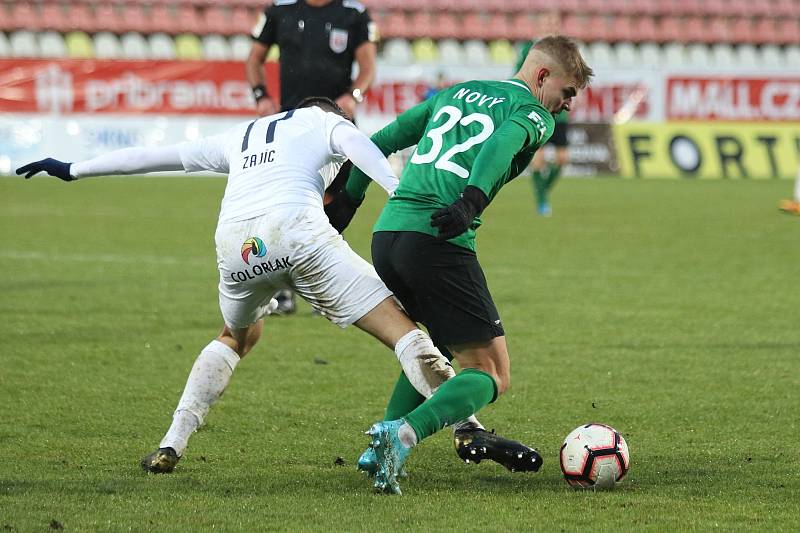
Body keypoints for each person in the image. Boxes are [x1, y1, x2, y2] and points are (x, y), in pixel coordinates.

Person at [16, 97, 456, 475]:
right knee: (404, 330)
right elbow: (360, 145)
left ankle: (172, 442)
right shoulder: (326, 121)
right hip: (299, 234)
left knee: (235, 337)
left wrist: (74, 167)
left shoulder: (241, 134)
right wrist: (396, 189)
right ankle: (467, 427)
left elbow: (154, 156)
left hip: (238, 246)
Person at [326, 36, 593, 494]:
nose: (565, 107)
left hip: (389, 235)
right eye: (567, 94)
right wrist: (469, 202)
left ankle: (379, 447)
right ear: (544, 75)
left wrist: (347, 204)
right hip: (439, 236)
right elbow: (502, 145)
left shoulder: (456, 92)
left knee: (442, 345)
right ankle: (401, 434)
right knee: (491, 371)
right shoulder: (533, 113)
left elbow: (379, 141)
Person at [245, 0, 379, 314]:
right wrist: (260, 95)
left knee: (334, 206)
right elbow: (254, 59)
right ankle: (284, 289)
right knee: (284, 206)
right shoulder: (280, 11)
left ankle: (324, 287)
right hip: (291, 126)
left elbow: (368, 67)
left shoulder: (353, 14)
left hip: (337, 125)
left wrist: (354, 95)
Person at [516, 40, 571, 217]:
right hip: (539, 112)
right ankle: (542, 201)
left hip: (559, 114)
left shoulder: (565, 51)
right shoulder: (529, 50)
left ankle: (542, 191)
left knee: (562, 159)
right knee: (538, 160)